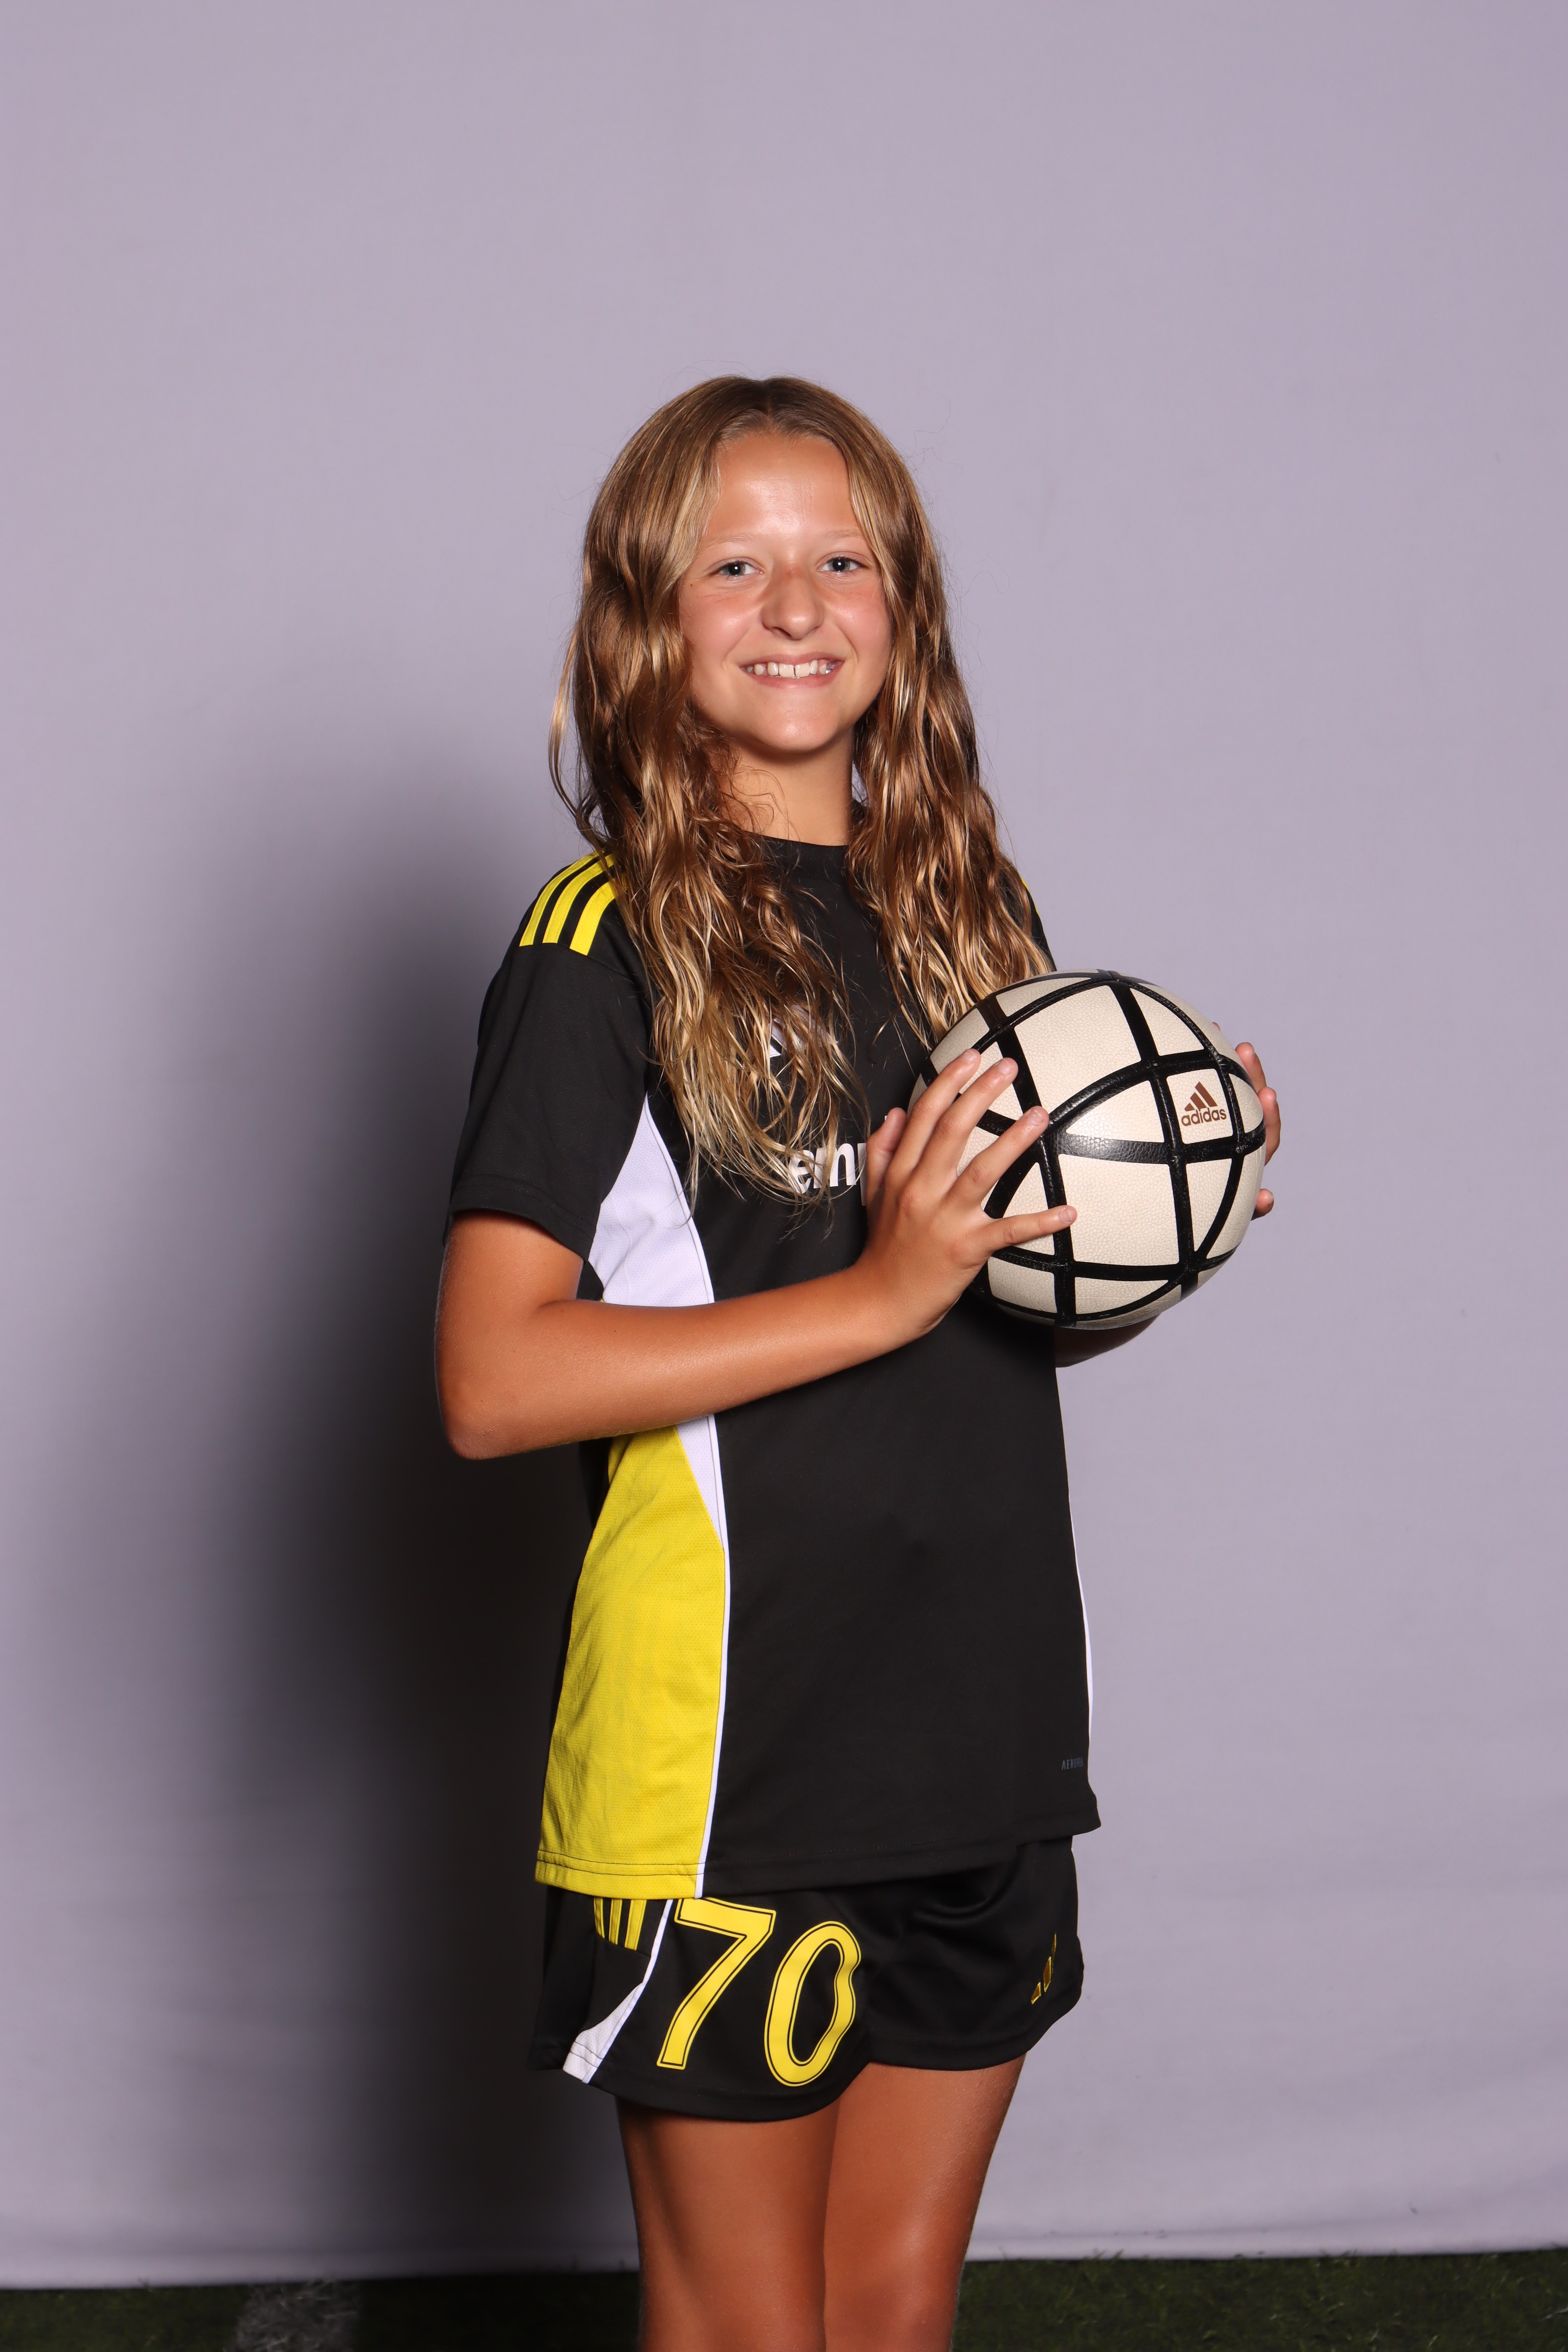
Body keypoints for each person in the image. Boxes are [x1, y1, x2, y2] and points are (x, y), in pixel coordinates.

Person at [436, 377, 1280, 2352]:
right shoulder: (599, 945)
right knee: (753, 2330)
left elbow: (990, 1304)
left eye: (841, 558)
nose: (796, 605)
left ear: (905, 605)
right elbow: (490, 1380)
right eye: (733, 565)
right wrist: (882, 1291)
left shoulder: (968, 923)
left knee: (889, 2305)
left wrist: (1165, 1215)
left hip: (980, 1724)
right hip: (732, 1764)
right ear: (646, 616)